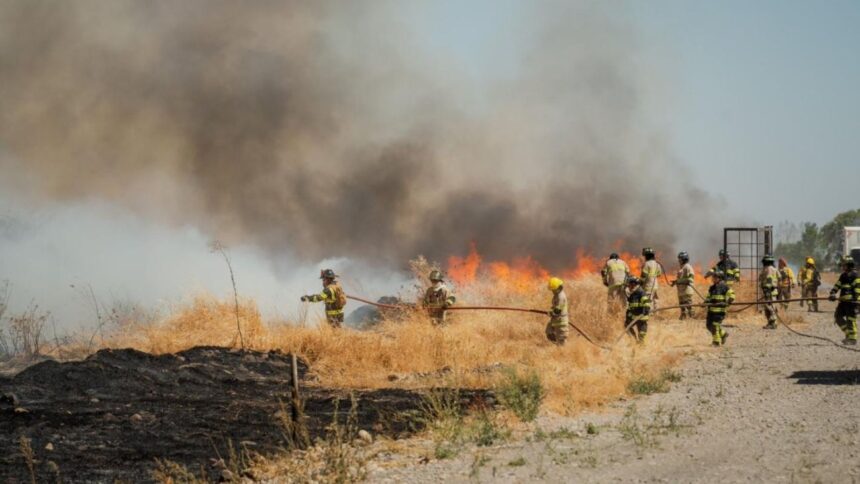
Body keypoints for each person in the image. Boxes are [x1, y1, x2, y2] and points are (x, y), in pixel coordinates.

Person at [828, 256, 858, 345]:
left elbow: (858, 289)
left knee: (850, 320)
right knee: (838, 317)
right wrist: (832, 293)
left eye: (844, 265)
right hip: (843, 302)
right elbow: (837, 285)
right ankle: (848, 334)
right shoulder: (843, 275)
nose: (842, 267)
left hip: (852, 303)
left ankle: (852, 339)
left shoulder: (855, 275)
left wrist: (857, 302)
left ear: (849, 265)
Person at [704, 270, 734, 346]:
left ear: (719, 278)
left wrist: (728, 302)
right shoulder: (712, 288)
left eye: (714, 277)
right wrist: (705, 303)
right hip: (711, 311)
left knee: (715, 325)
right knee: (709, 325)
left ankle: (716, 342)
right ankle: (723, 334)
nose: (713, 278)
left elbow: (732, 295)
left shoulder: (725, 286)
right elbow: (708, 297)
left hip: (720, 311)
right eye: (713, 277)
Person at [624, 276, 650, 343]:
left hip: (642, 318)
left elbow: (647, 304)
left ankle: (641, 344)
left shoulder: (641, 292)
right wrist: (628, 316)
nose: (628, 287)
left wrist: (645, 311)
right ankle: (634, 341)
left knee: (641, 334)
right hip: (634, 317)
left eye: (629, 285)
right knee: (626, 326)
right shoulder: (632, 294)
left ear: (633, 284)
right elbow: (630, 307)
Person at [670, 251, 695, 320]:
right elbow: (680, 279)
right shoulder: (682, 267)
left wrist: (679, 281)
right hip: (681, 291)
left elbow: (690, 279)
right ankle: (683, 317)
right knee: (682, 305)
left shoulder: (688, 267)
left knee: (688, 305)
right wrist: (675, 282)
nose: (679, 260)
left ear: (684, 259)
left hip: (686, 291)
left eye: (680, 259)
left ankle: (692, 318)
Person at [546, 277, 570, 345]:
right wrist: (551, 311)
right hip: (555, 320)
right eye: (552, 290)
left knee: (561, 338)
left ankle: (563, 349)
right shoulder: (557, 295)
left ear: (559, 287)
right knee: (549, 332)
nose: (553, 291)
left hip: (561, 321)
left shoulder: (561, 297)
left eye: (554, 289)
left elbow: (558, 310)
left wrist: (551, 313)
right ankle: (557, 345)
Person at [759, 255, 779, 329]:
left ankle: (773, 323)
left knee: (770, 307)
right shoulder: (774, 269)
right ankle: (771, 323)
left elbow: (769, 279)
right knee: (769, 307)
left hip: (769, 291)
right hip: (772, 291)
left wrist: (767, 289)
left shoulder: (768, 269)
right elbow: (779, 277)